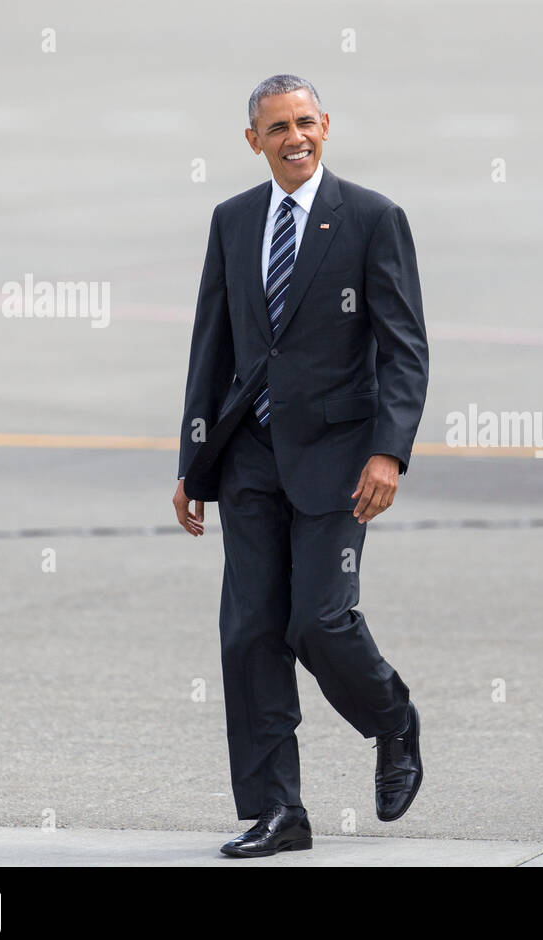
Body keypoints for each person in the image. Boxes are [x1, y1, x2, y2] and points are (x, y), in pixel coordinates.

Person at [173, 74, 428, 857]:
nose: (296, 137)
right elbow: (211, 344)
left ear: (327, 126)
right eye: (278, 127)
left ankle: (393, 720)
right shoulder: (233, 220)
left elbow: (404, 347)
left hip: (338, 459)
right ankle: (279, 811)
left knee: (317, 621)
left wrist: (388, 450)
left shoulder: (372, 219)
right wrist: (193, 461)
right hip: (250, 455)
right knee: (250, 632)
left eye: (307, 122)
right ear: (254, 140)